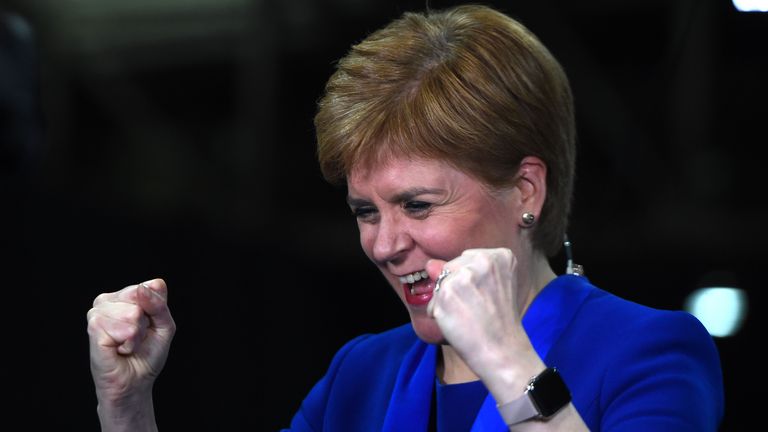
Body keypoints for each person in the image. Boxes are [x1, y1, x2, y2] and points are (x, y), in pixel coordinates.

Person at [86, 4, 724, 431]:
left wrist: (508, 359)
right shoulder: (361, 375)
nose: (385, 245)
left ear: (526, 189)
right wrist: (127, 407)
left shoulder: (648, 352)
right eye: (366, 211)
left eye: (417, 205)